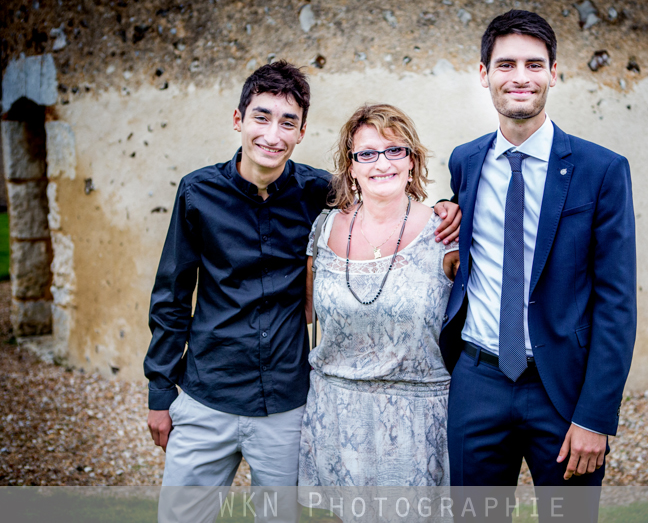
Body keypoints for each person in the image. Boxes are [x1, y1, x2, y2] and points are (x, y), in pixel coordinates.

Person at [143, 63, 460, 518]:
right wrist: (160, 392)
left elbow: (385, 187)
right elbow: (171, 297)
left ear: (301, 132)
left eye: (287, 122)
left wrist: (450, 207)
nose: (272, 134)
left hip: (287, 407)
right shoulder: (196, 193)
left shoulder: (319, 193)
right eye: (261, 117)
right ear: (239, 120)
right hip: (206, 396)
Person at [439, 10, 637, 521]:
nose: (520, 77)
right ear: (484, 74)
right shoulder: (465, 161)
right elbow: (464, 233)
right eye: (505, 64)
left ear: (554, 72)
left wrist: (596, 415)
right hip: (477, 380)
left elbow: (617, 302)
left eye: (534, 64)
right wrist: (446, 218)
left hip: (561, 389)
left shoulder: (602, 171)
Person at [298, 104, 459, 495]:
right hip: (333, 415)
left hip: (419, 423)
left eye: (394, 150)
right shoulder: (323, 229)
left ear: (412, 161)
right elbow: (304, 313)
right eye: (366, 153)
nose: (381, 163)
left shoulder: (447, 234)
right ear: (351, 167)